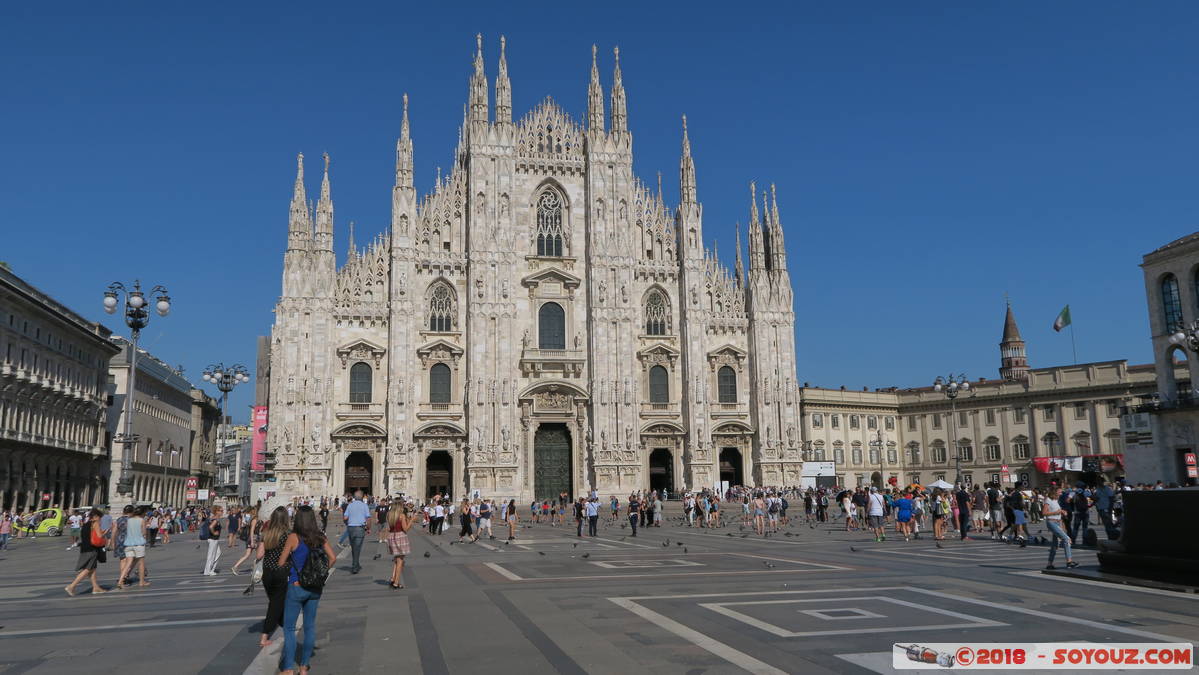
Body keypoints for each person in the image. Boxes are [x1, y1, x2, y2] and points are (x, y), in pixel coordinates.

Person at [277, 505, 337, 675]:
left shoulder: (293, 537)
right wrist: (321, 574)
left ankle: (288, 668)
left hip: (296, 587)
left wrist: (293, 565)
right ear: (313, 519)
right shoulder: (320, 537)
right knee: (309, 626)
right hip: (315, 588)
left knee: (289, 628)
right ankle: (304, 667)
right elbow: (332, 558)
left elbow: (281, 563)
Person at [256, 506, 291, 648]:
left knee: (276, 601)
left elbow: (259, 555)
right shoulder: (288, 534)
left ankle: (285, 624)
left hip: (267, 572)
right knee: (275, 604)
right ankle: (264, 636)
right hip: (281, 571)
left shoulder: (266, 533)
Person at [65, 508, 107, 596]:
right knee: (87, 569)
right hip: (92, 549)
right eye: (100, 517)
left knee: (92, 569)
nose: (100, 520)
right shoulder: (95, 523)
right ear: (95, 517)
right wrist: (106, 532)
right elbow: (99, 536)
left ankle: (96, 588)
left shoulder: (85, 524)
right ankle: (71, 586)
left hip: (84, 548)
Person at [1043, 487, 1078, 570]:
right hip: (1051, 522)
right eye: (1059, 492)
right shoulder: (1048, 500)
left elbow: (1057, 512)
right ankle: (1069, 562)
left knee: (1055, 545)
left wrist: (1062, 512)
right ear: (1054, 492)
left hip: (1058, 522)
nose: (1061, 494)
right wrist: (1057, 512)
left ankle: (1049, 564)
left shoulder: (1056, 500)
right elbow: (1044, 513)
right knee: (1066, 539)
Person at [117, 506, 149, 589]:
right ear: (142, 513)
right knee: (141, 563)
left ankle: (120, 581)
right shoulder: (142, 520)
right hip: (138, 544)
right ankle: (142, 581)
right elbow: (144, 533)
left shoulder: (129, 520)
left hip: (128, 544)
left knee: (128, 564)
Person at [386, 503, 414, 589]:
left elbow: (388, 528)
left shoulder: (389, 514)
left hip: (391, 536)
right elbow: (405, 529)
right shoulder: (401, 516)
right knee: (400, 560)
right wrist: (412, 520)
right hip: (400, 536)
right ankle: (396, 582)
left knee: (396, 559)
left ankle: (393, 578)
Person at [343, 490, 370, 574]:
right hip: (360, 528)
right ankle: (355, 566)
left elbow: (345, 518)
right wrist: (369, 528)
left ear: (354, 497)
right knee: (357, 547)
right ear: (362, 497)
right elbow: (368, 518)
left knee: (354, 547)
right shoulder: (364, 506)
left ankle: (356, 564)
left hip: (351, 528)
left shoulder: (350, 506)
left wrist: (347, 524)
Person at [232, 507, 261, 576]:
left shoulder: (252, 519)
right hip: (253, 538)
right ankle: (255, 569)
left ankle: (235, 566)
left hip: (251, 538)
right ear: (253, 511)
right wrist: (252, 541)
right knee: (259, 555)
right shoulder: (254, 520)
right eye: (255, 510)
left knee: (248, 555)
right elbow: (252, 531)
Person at [202, 506, 224, 576]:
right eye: (221, 510)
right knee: (211, 555)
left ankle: (210, 569)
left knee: (218, 553)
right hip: (213, 539)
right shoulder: (215, 519)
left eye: (222, 510)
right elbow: (211, 527)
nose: (222, 512)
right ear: (216, 511)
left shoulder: (213, 518)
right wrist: (214, 532)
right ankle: (208, 571)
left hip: (214, 539)